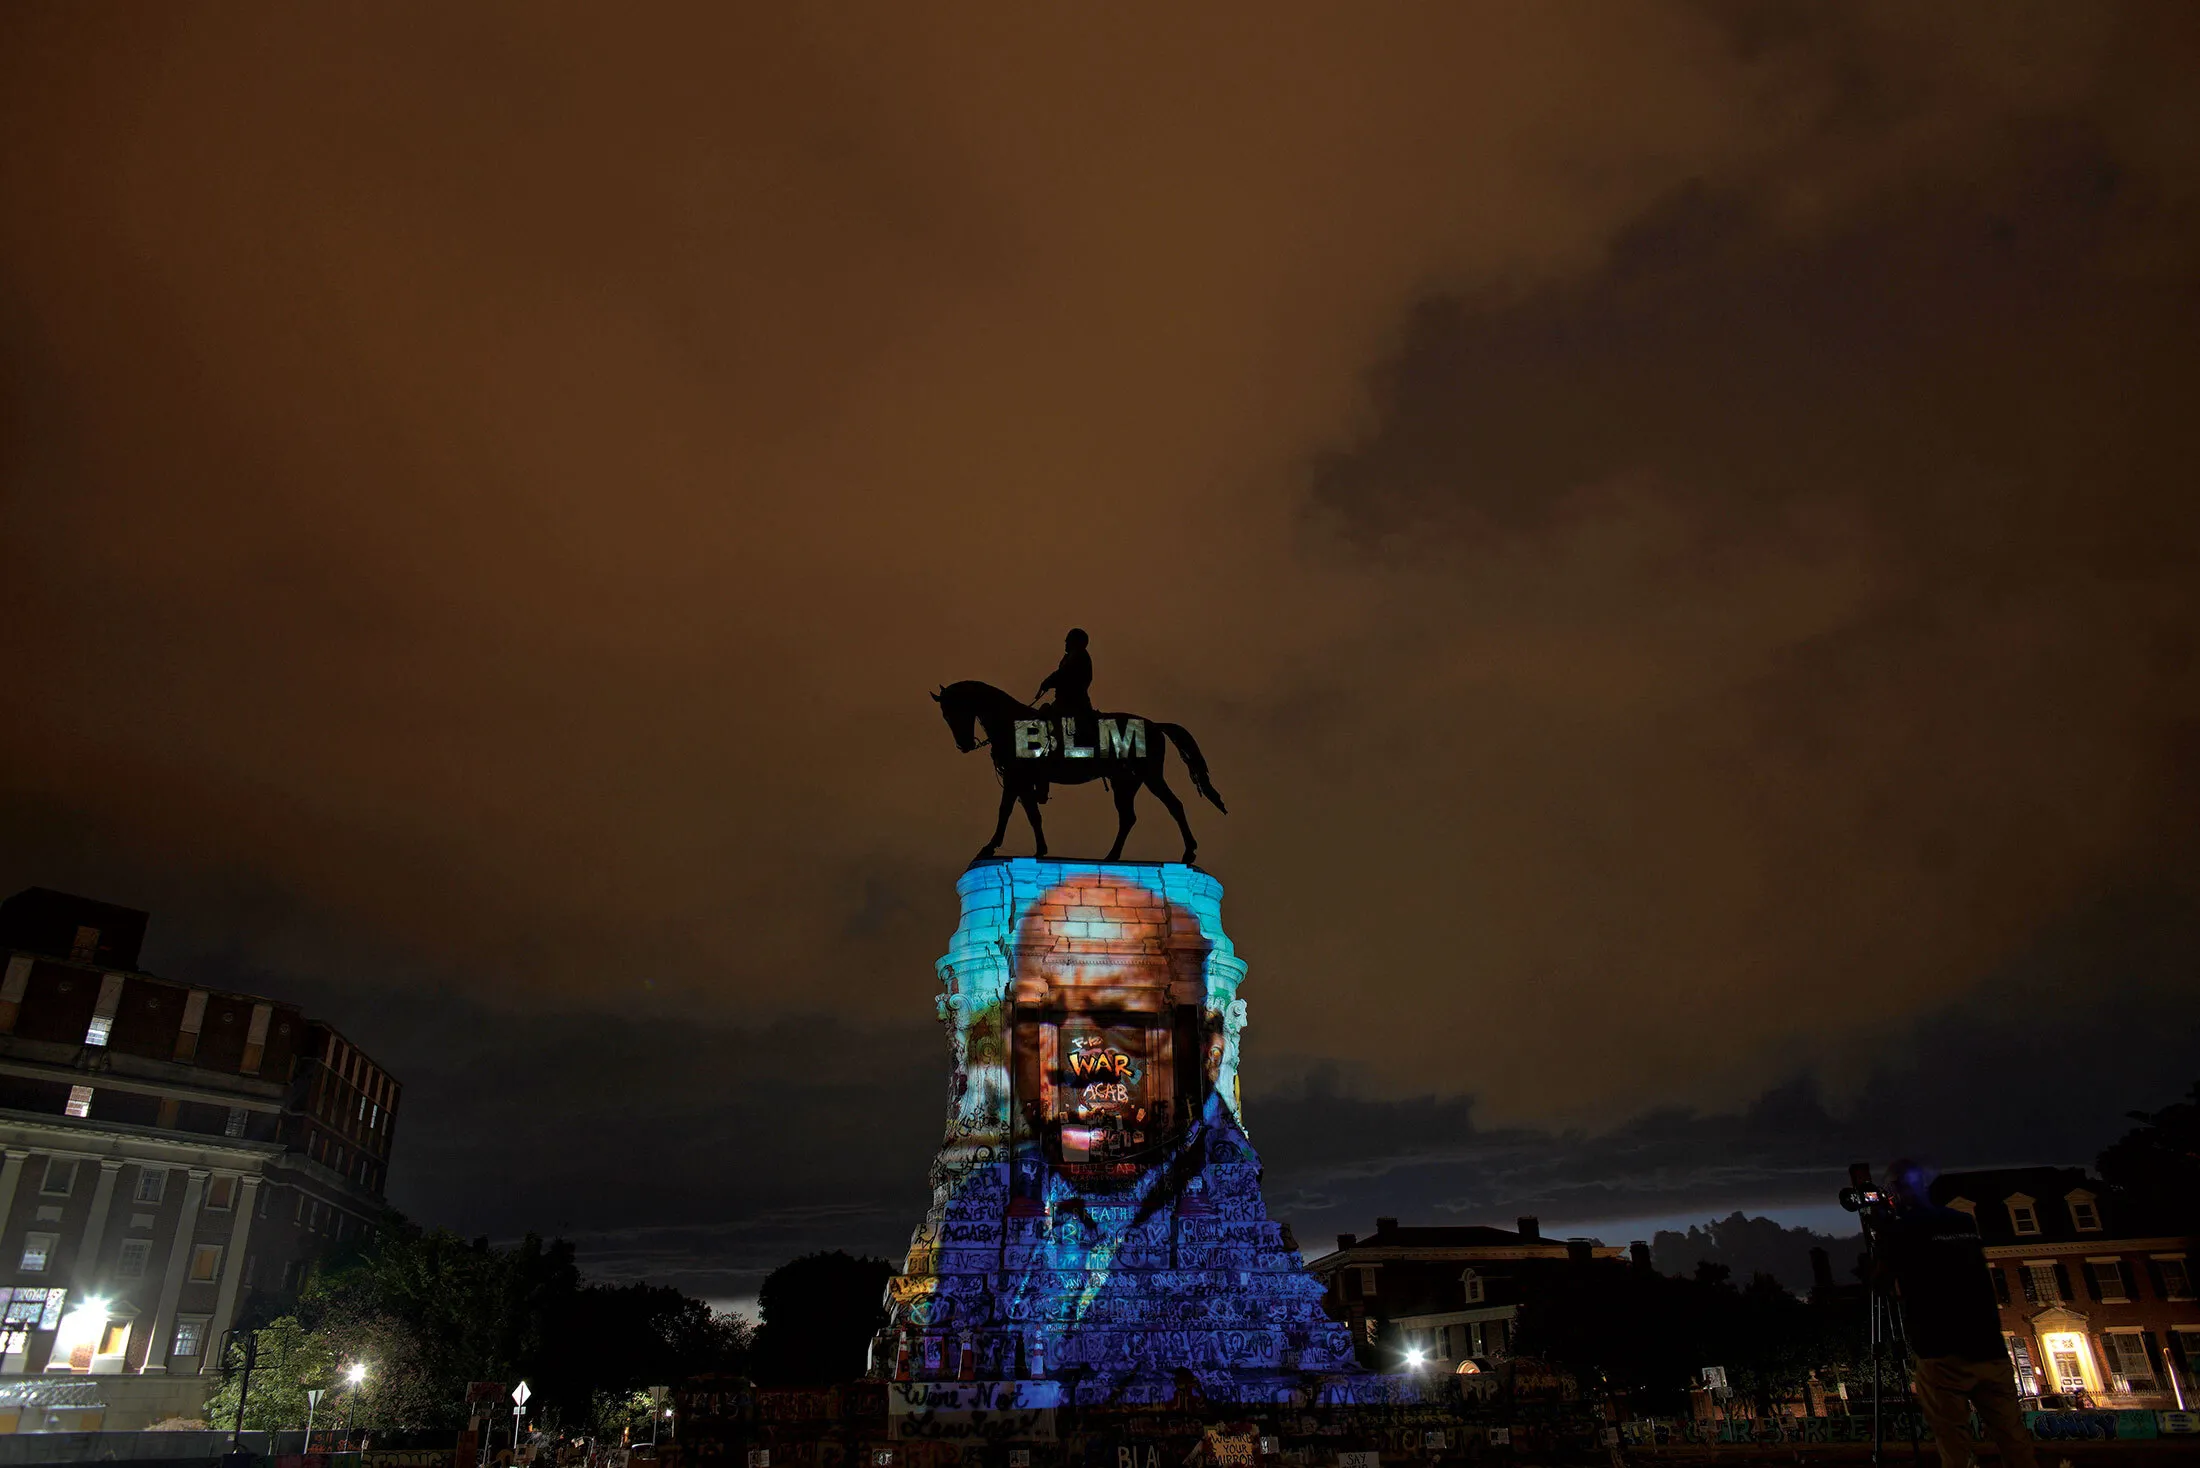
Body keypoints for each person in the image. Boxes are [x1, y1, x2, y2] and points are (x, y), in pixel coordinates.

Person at [1877, 1159, 2038, 1468]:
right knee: (2014, 1440)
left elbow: (1883, 1282)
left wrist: (1884, 1232)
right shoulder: (1963, 1222)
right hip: (1989, 1348)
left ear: (1895, 1191)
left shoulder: (1901, 1230)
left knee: (1954, 1444)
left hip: (1942, 1352)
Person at [1034, 627, 1094, 718]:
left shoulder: (1077, 657)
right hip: (1070, 701)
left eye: (1068, 640)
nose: (1066, 642)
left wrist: (1047, 682)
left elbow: (1063, 674)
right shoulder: (1075, 656)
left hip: (1071, 703)